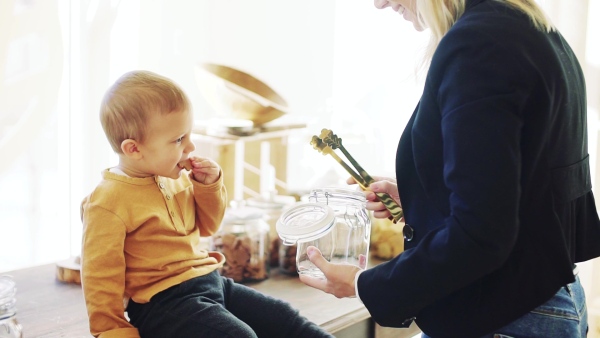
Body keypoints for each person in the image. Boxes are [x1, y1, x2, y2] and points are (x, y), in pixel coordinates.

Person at [300, 1, 600, 337]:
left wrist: (364, 285)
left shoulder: (479, 45)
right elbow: (530, 187)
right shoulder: (529, 28)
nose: (379, 3)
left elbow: (482, 232)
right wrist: (426, 195)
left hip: (504, 316)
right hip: (540, 300)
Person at [80, 70, 333, 338]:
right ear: (133, 149)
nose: (190, 147)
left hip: (212, 283)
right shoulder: (106, 202)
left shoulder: (174, 177)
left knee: (284, 317)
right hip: (163, 303)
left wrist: (208, 186)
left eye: (188, 135)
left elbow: (208, 226)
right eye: (178, 139)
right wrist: (113, 330)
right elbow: (99, 277)